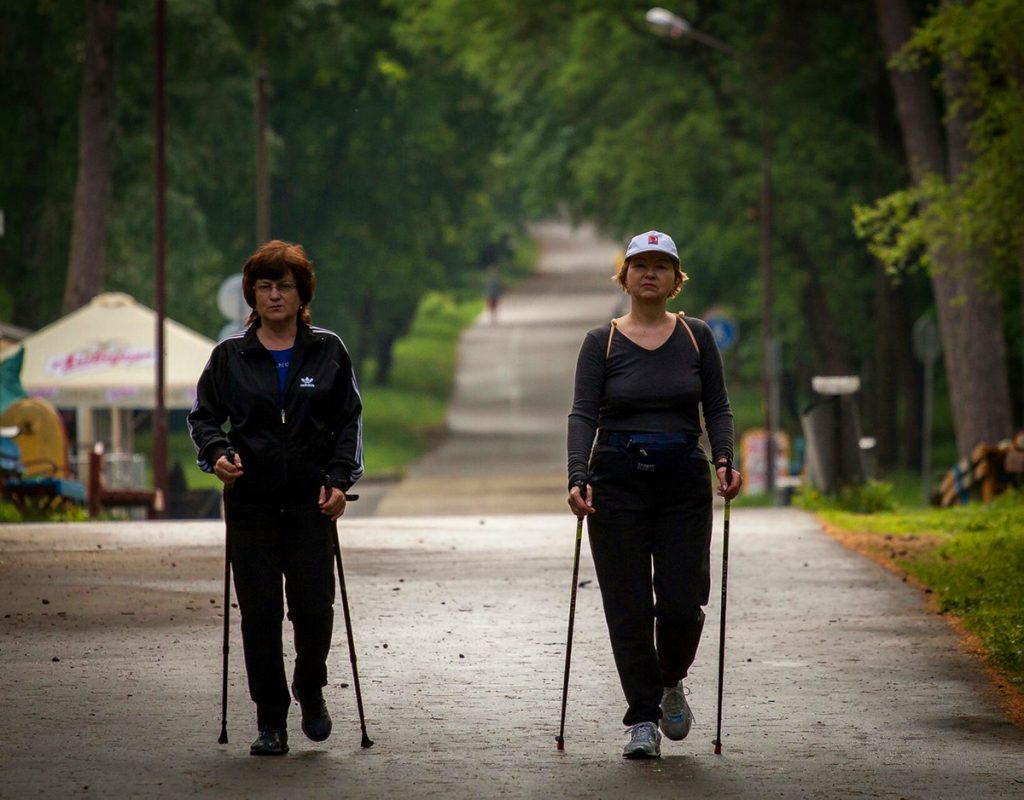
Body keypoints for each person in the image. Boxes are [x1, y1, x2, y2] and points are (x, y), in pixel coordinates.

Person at [566, 230, 742, 759]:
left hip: (682, 478)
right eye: (639, 264)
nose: (649, 273)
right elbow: (582, 413)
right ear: (624, 277)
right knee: (628, 607)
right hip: (616, 477)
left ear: (675, 280)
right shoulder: (603, 342)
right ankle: (642, 717)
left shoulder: (696, 337)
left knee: (683, 605)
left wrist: (726, 458)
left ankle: (670, 680)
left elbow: (718, 407)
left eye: (660, 266)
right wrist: (578, 475)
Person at [188, 240, 364, 756]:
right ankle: (270, 721)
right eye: (264, 286)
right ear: (252, 295)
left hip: (312, 505)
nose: (274, 295)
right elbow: (202, 417)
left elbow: (348, 419)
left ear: (301, 292)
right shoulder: (229, 357)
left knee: (314, 610)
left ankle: (310, 688)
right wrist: (217, 452)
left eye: (283, 285)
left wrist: (338, 479)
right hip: (252, 506)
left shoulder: (328, 350)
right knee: (259, 616)